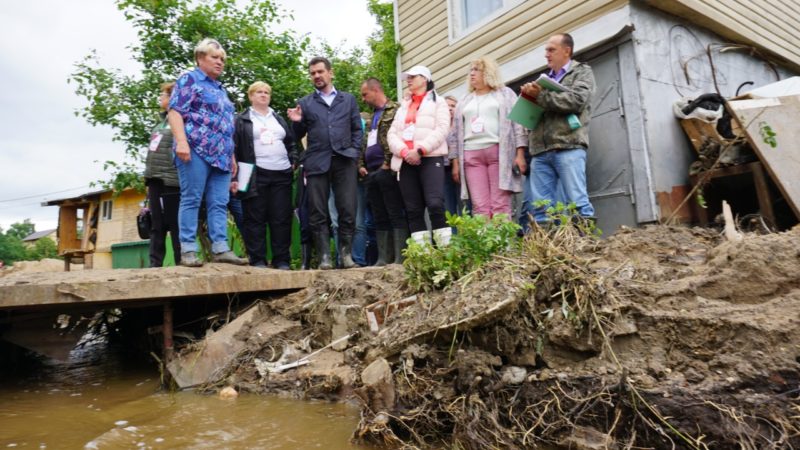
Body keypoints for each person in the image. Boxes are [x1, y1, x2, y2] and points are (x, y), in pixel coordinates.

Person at [168, 37, 247, 267]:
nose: (220, 62)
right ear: (200, 58)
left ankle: (221, 248)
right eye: (215, 57)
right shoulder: (189, 79)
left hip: (222, 154)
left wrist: (231, 155)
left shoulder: (220, 89)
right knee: (191, 198)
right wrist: (181, 141)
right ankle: (189, 250)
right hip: (195, 149)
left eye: (222, 59)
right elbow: (175, 112)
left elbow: (225, 124)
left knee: (219, 202)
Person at [287, 56, 362, 269]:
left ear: (330, 72)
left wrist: (354, 152)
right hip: (317, 161)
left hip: (344, 161)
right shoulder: (305, 103)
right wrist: (297, 122)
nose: (317, 76)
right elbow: (297, 135)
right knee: (317, 211)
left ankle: (346, 256)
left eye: (320, 72)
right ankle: (324, 258)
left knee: (348, 208)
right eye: (312, 73)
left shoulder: (348, 100)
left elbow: (357, 128)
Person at [520, 33, 595, 223]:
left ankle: (585, 249)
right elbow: (532, 115)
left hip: (568, 145)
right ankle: (549, 252)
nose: (547, 54)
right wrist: (527, 99)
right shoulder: (542, 81)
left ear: (567, 51)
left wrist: (541, 96)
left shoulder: (581, 72)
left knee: (578, 204)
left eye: (551, 50)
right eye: (546, 50)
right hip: (540, 151)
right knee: (541, 209)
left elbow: (577, 101)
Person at [453, 56, 527, 218]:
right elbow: (455, 133)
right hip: (471, 155)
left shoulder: (505, 94)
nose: (472, 74)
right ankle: (485, 243)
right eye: (471, 70)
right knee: (480, 206)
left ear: (488, 73)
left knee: (500, 204)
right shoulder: (464, 100)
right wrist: (455, 163)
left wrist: (520, 154)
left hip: (498, 154)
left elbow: (518, 124)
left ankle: (504, 243)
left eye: (477, 70)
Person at [233, 81, 296, 269]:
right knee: (255, 218)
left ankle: (282, 260)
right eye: (259, 92)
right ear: (251, 96)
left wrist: (293, 159)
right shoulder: (241, 119)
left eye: (267, 92)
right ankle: (258, 260)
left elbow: (291, 142)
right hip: (253, 174)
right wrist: (234, 177)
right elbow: (234, 146)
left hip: (282, 173)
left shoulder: (277, 118)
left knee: (281, 218)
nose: (263, 95)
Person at [387, 66, 451, 247]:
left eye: (412, 77)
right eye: (407, 77)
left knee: (435, 204)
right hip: (405, 161)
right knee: (413, 209)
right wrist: (405, 152)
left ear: (425, 79)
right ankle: (423, 256)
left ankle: (445, 252)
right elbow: (391, 134)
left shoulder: (439, 102)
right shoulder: (403, 106)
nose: (408, 80)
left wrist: (421, 150)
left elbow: (442, 129)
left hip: (430, 158)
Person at [359, 77, 409, 265]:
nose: (363, 99)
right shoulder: (371, 117)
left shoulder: (396, 110)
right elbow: (364, 142)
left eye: (365, 94)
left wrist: (388, 162)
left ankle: (399, 257)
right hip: (370, 173)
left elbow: (401, 136)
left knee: (394, 211)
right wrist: (360, 165)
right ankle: (383, 258)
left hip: (389, 170)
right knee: (379, 214)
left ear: (375, 90)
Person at [143, 82, 181, 267]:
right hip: (155, 179)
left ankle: (182, 263)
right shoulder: (160, 122)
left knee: (175, 225)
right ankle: (154, 264)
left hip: (173, 180)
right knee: (156, 225)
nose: (161, 98)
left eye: (164, 95)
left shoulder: (181, 119)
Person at [443, 96, 462, 217]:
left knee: (464, 204)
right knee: (448, 208)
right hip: (443, 170)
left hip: (461, 168)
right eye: (446, 106)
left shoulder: (461, 126)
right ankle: (452, 235)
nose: (449, 109)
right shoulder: (440, 127)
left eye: (453, 106)